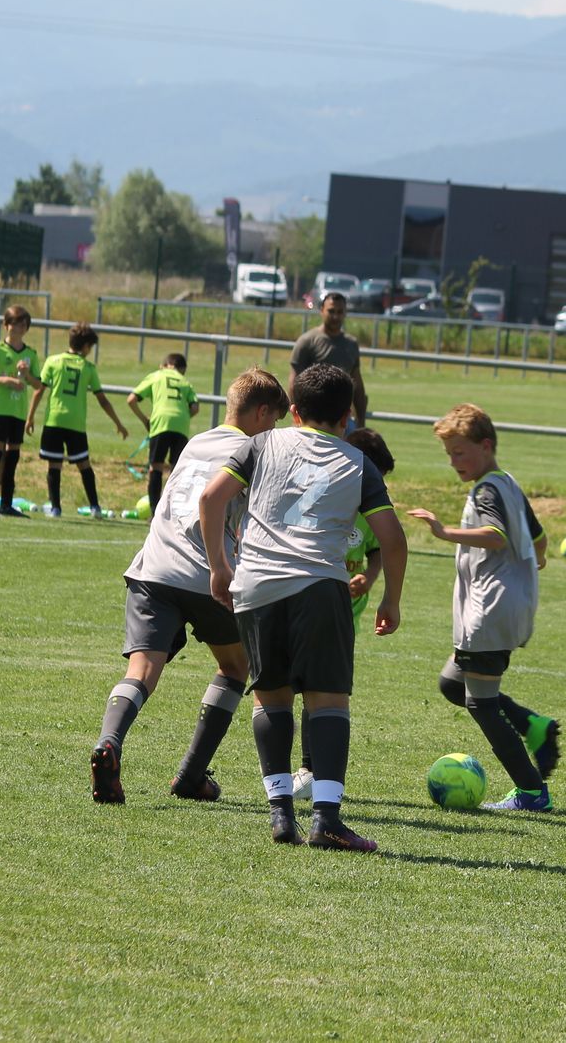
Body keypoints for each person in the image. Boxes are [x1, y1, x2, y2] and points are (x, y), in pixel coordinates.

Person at [198, 363, 407, 852]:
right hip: (318, 584)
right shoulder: (359, 463)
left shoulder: (260, 444)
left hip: (256, 585)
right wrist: (390, 599)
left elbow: (210, 499)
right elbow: (392, 539)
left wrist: (219, 568)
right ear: (348, 416)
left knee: (270, 698)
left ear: (293, 411)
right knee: (327, 701)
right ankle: (327, 821)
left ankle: (280, 813)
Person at [89, 367, 292, 805]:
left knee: (141, 672)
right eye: (274, 421)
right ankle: (191, 774)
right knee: (235, 667)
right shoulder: (256, 452)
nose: (274, 431)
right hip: (207, 573)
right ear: (261, 413)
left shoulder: (196, 442)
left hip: (153, 568)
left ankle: (109, 742)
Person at [408, 404, 559, 812]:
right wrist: (536, 559)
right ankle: (532, 726)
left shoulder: (487, 490)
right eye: (449, 454)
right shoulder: (507, 482)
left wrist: (444, 531)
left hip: (489, 610)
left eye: (460, 452)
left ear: (486, 446)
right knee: (452, 683)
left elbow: (495, 534)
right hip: (505, 607)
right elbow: (539, 537)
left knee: (481, 704)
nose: (453, 461)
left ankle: (531, 791)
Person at [293, 426, 394, 800]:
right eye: (376, 477)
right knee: (308, 687)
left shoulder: (371, 512)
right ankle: (309, 770)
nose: (378, 487)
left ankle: (313, 771)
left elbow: (379, 549)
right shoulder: (322, 500)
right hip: (306, 606)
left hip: (345, 617)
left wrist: (370, 576)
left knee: (323, 689)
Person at [25, 322, 129, 518]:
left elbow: (39, 390)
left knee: (54, 465)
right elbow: (102, 399)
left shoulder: (53, 361)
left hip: (55, 420)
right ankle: (95, 507)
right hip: (76, 424)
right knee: (84, 465)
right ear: (87, 346)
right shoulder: (88, 368)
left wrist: (30, 418)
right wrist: (118, 423)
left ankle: (56, 508)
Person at [0, 305, 44, 517]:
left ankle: (6, 504)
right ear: (6, 325)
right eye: (15, 324)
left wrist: (27, 374)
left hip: (18, 412)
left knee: (12, 457)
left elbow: (38, 384)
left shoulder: (30, 354)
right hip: (0, 410)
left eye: (23, 325)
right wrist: (4, 380)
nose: (19, 328)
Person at [128, 353, 200, 511]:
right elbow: (195, 407)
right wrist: (182, 417)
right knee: (177, 470)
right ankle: (173, 511)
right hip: (181, 425)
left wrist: (145, 420)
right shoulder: (185, 381)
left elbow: (131, 399)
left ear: (164, 365)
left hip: (161, 423)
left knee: (156, 467)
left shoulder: (156, 375)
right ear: (182, 370)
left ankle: (155, 512)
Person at [290, 293, 367, 433]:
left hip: (342, 420)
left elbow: (358, 386)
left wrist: (361, 423)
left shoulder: (351, 344)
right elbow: (294, 383)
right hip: (313, 419)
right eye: (331, 311)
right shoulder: (307, 342)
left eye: (340, 312)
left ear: (345, 313)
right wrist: (298, 418)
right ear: (322, 311)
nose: (335, 316)